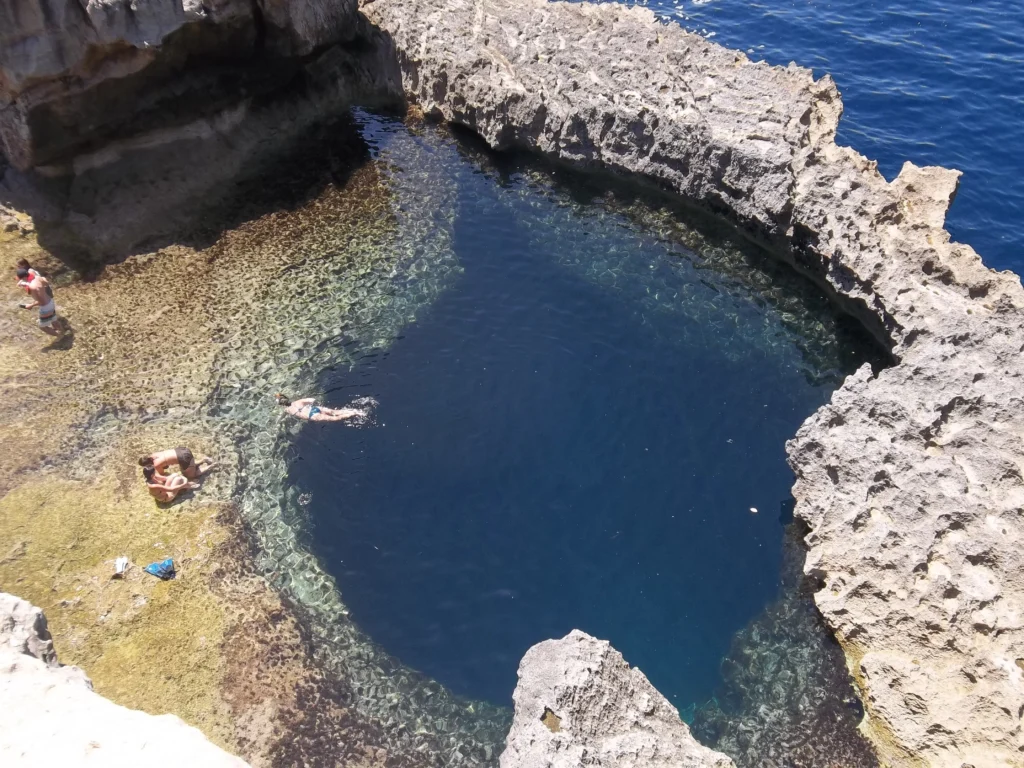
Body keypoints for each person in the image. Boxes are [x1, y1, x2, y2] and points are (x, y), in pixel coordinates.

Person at [17, 266, 62, 336]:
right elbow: (46, 283)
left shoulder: (32, 286)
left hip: (45, 307)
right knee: (53, 319)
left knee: (42, 326)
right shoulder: (37, 278)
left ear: (23, 278)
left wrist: (30, 305)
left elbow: (41, 301)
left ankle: (60, 336)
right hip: (50, 301)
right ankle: (61, 331)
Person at [276, 393, 370, 422]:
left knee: (336, 418)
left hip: (313, 416)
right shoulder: (298, 401)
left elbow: (281, 417)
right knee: (335, 411)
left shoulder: (287, 410)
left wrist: (279, 421)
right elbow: (312, 400)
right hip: (315, 409)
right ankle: (356, 411)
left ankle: (354, 413)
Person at [138, 447, 216, 480]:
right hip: (182, 450)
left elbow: (163, 475)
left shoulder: (156, 464)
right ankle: (203, 460)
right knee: (188, 466)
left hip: (184, 458)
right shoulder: (154, 455)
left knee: (191, 476)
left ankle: (211, 466)